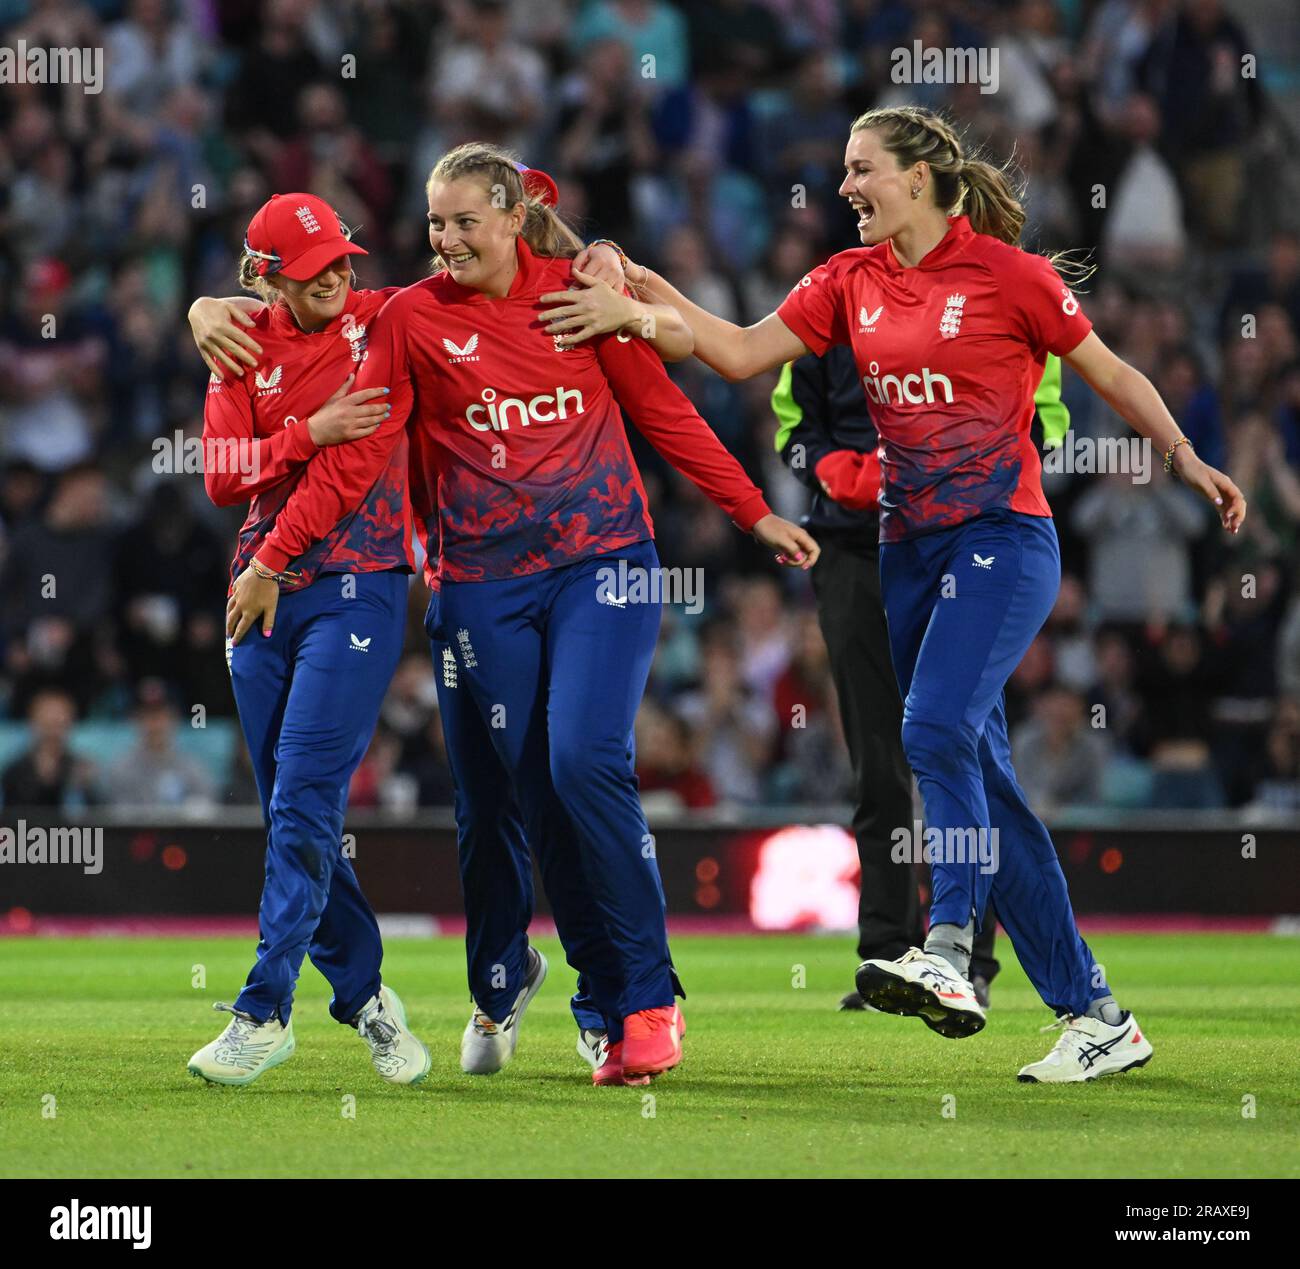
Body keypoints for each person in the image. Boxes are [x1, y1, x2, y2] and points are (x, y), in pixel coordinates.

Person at [556, 105, 1246, 1082]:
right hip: (907, 553)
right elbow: (738, 351)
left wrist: (1184, 458)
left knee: (928, 732)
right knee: (988, 787)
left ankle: (952, 944)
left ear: (919, 178)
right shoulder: (846, 281)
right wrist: (638, 298)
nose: (843, 188)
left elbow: (1111, 371)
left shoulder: (1013, 275)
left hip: (1003, 541)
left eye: (860, 169)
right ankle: (1095, 1016)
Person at [225, 143, 819, 1082]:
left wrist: (752, 510)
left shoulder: (582, 300)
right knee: (508, 794)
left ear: (513, 217)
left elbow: (665, 413)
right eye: (435, 224)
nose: (448, 239)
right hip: (478, 585)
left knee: (583, 758)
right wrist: (217, 307)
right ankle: (518, 986)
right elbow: (358, 427)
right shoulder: (411, 317)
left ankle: (642, 996)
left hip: (602, 563)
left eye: (467, 221)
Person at [186, 192, 431, 1087]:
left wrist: (275, 557)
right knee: (295, 808)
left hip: (350, 587)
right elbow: (218, 475)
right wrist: (304, 429)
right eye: (314, 266)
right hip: (258, 601)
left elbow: (354, 463)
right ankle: (365, 996)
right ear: (266, 276)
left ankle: (263, 1009)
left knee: (302, 801)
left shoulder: (384, 327)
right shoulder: (241, 345)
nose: (338, 275)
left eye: (342, 259)